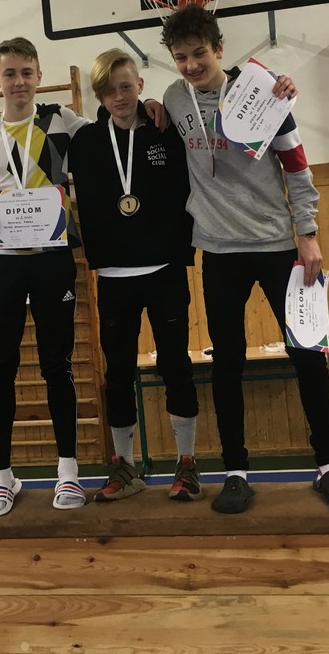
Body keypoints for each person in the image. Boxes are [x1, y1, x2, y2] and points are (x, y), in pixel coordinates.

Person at [160, 4, 329, 514]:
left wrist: (308, 234)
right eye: (180, 57)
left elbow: (297, 165)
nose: (191, 65)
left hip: (276, 245)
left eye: (199, 53)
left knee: (307, 353)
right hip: (218, 250)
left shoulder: (263, 91)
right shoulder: (173, 99)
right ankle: (236, 473)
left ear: (219, 48)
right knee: (226, 363)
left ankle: (328, 466)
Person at [0, 37, 93, 516]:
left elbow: (113, 130)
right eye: (10, 73)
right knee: (0, 369)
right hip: (3, 261)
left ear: (39, 77)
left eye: (27, 72)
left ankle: (68, 472)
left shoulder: (61, 121)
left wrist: (149, 104)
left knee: (58, 365)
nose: (19, 81)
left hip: (53, 259)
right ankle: (1, 477)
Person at [68, 48, 201, 502]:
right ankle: (124, 466)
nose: (119, 96)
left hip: (164, 269)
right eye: (108, 90)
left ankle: (187, 464)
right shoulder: (85, 141)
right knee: (118, 373)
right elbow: (36, 125)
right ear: (99, 95)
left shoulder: (165, 129)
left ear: (140, 86)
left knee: (175, 365)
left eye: (126, 86)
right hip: (113, 276)